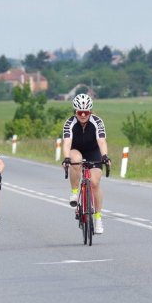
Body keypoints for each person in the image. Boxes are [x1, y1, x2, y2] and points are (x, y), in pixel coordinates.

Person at [61, 94, 111, 234]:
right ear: (75, 112)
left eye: (86, 112)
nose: (83, 115)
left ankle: (98, 218)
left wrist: (105, 156)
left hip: (93, 151)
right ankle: (74, 192)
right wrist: (66, 157)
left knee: (95, 183)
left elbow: (101, 141)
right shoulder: (69, 123)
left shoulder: (97, 121)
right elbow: (67, 142)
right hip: (76, 149)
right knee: (75, 160)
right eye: (79, 112)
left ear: (90, 111)